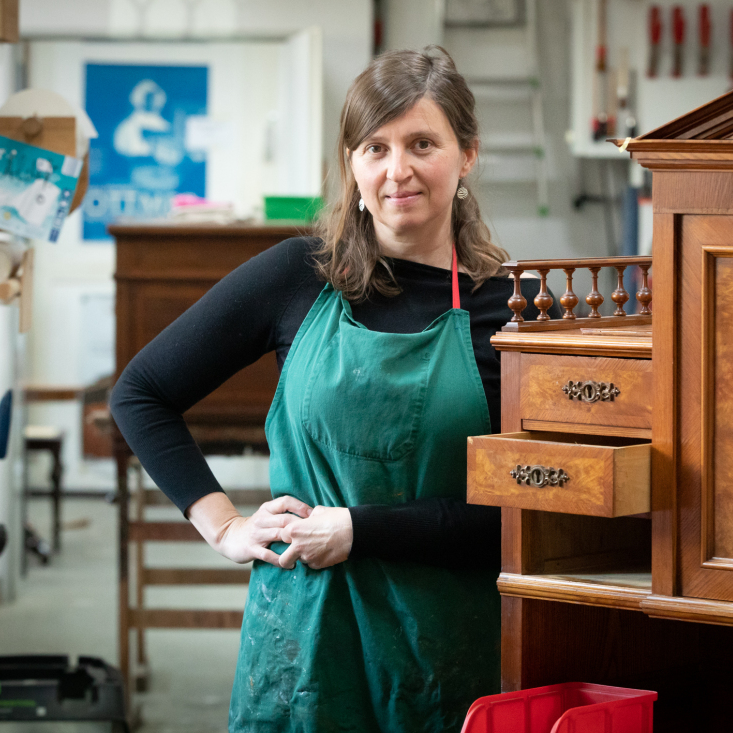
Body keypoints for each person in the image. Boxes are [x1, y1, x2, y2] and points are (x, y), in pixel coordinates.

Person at [110, 46, 554, 733]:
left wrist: (358, 528)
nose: (396, 169)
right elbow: (140, 392)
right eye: (374, 146)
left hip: (443, 656)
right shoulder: (297, 277)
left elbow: (528, 513)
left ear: (467, 156)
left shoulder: (513, 310)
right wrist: (223, 524)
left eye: (421, 143)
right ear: (351, 162)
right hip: (304, 653)